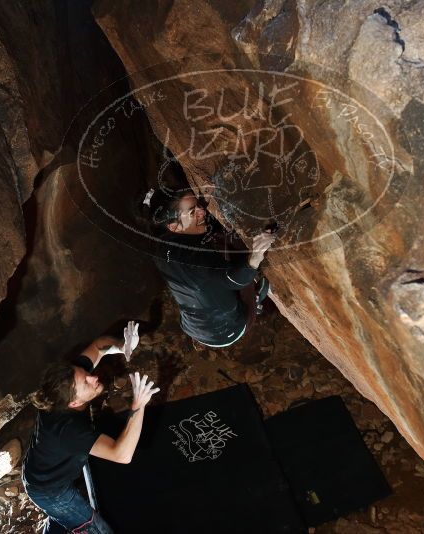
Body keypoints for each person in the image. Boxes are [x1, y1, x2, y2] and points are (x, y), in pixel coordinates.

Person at [22, 322, 159, 534]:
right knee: (97, 529)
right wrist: (138, 406)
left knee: (60, 517)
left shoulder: (66, 385)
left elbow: (97, 346)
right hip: (50, 491)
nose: (93, 376)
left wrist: (121, 346)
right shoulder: (69, 430)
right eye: (86, 383)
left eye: (85, 372)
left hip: (40, 471)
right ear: (74, 403)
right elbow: (121, 454)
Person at [144, 187, 276, 348]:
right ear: (173, 227)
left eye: (198, 205)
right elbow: (236, 280)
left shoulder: (160, 247)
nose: (202, 211)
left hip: (192, 328)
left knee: (217, 245)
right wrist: (256, 256)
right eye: (192, 212)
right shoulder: (200, 261)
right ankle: (255, 299)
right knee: (243, 266)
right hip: (229, 330)